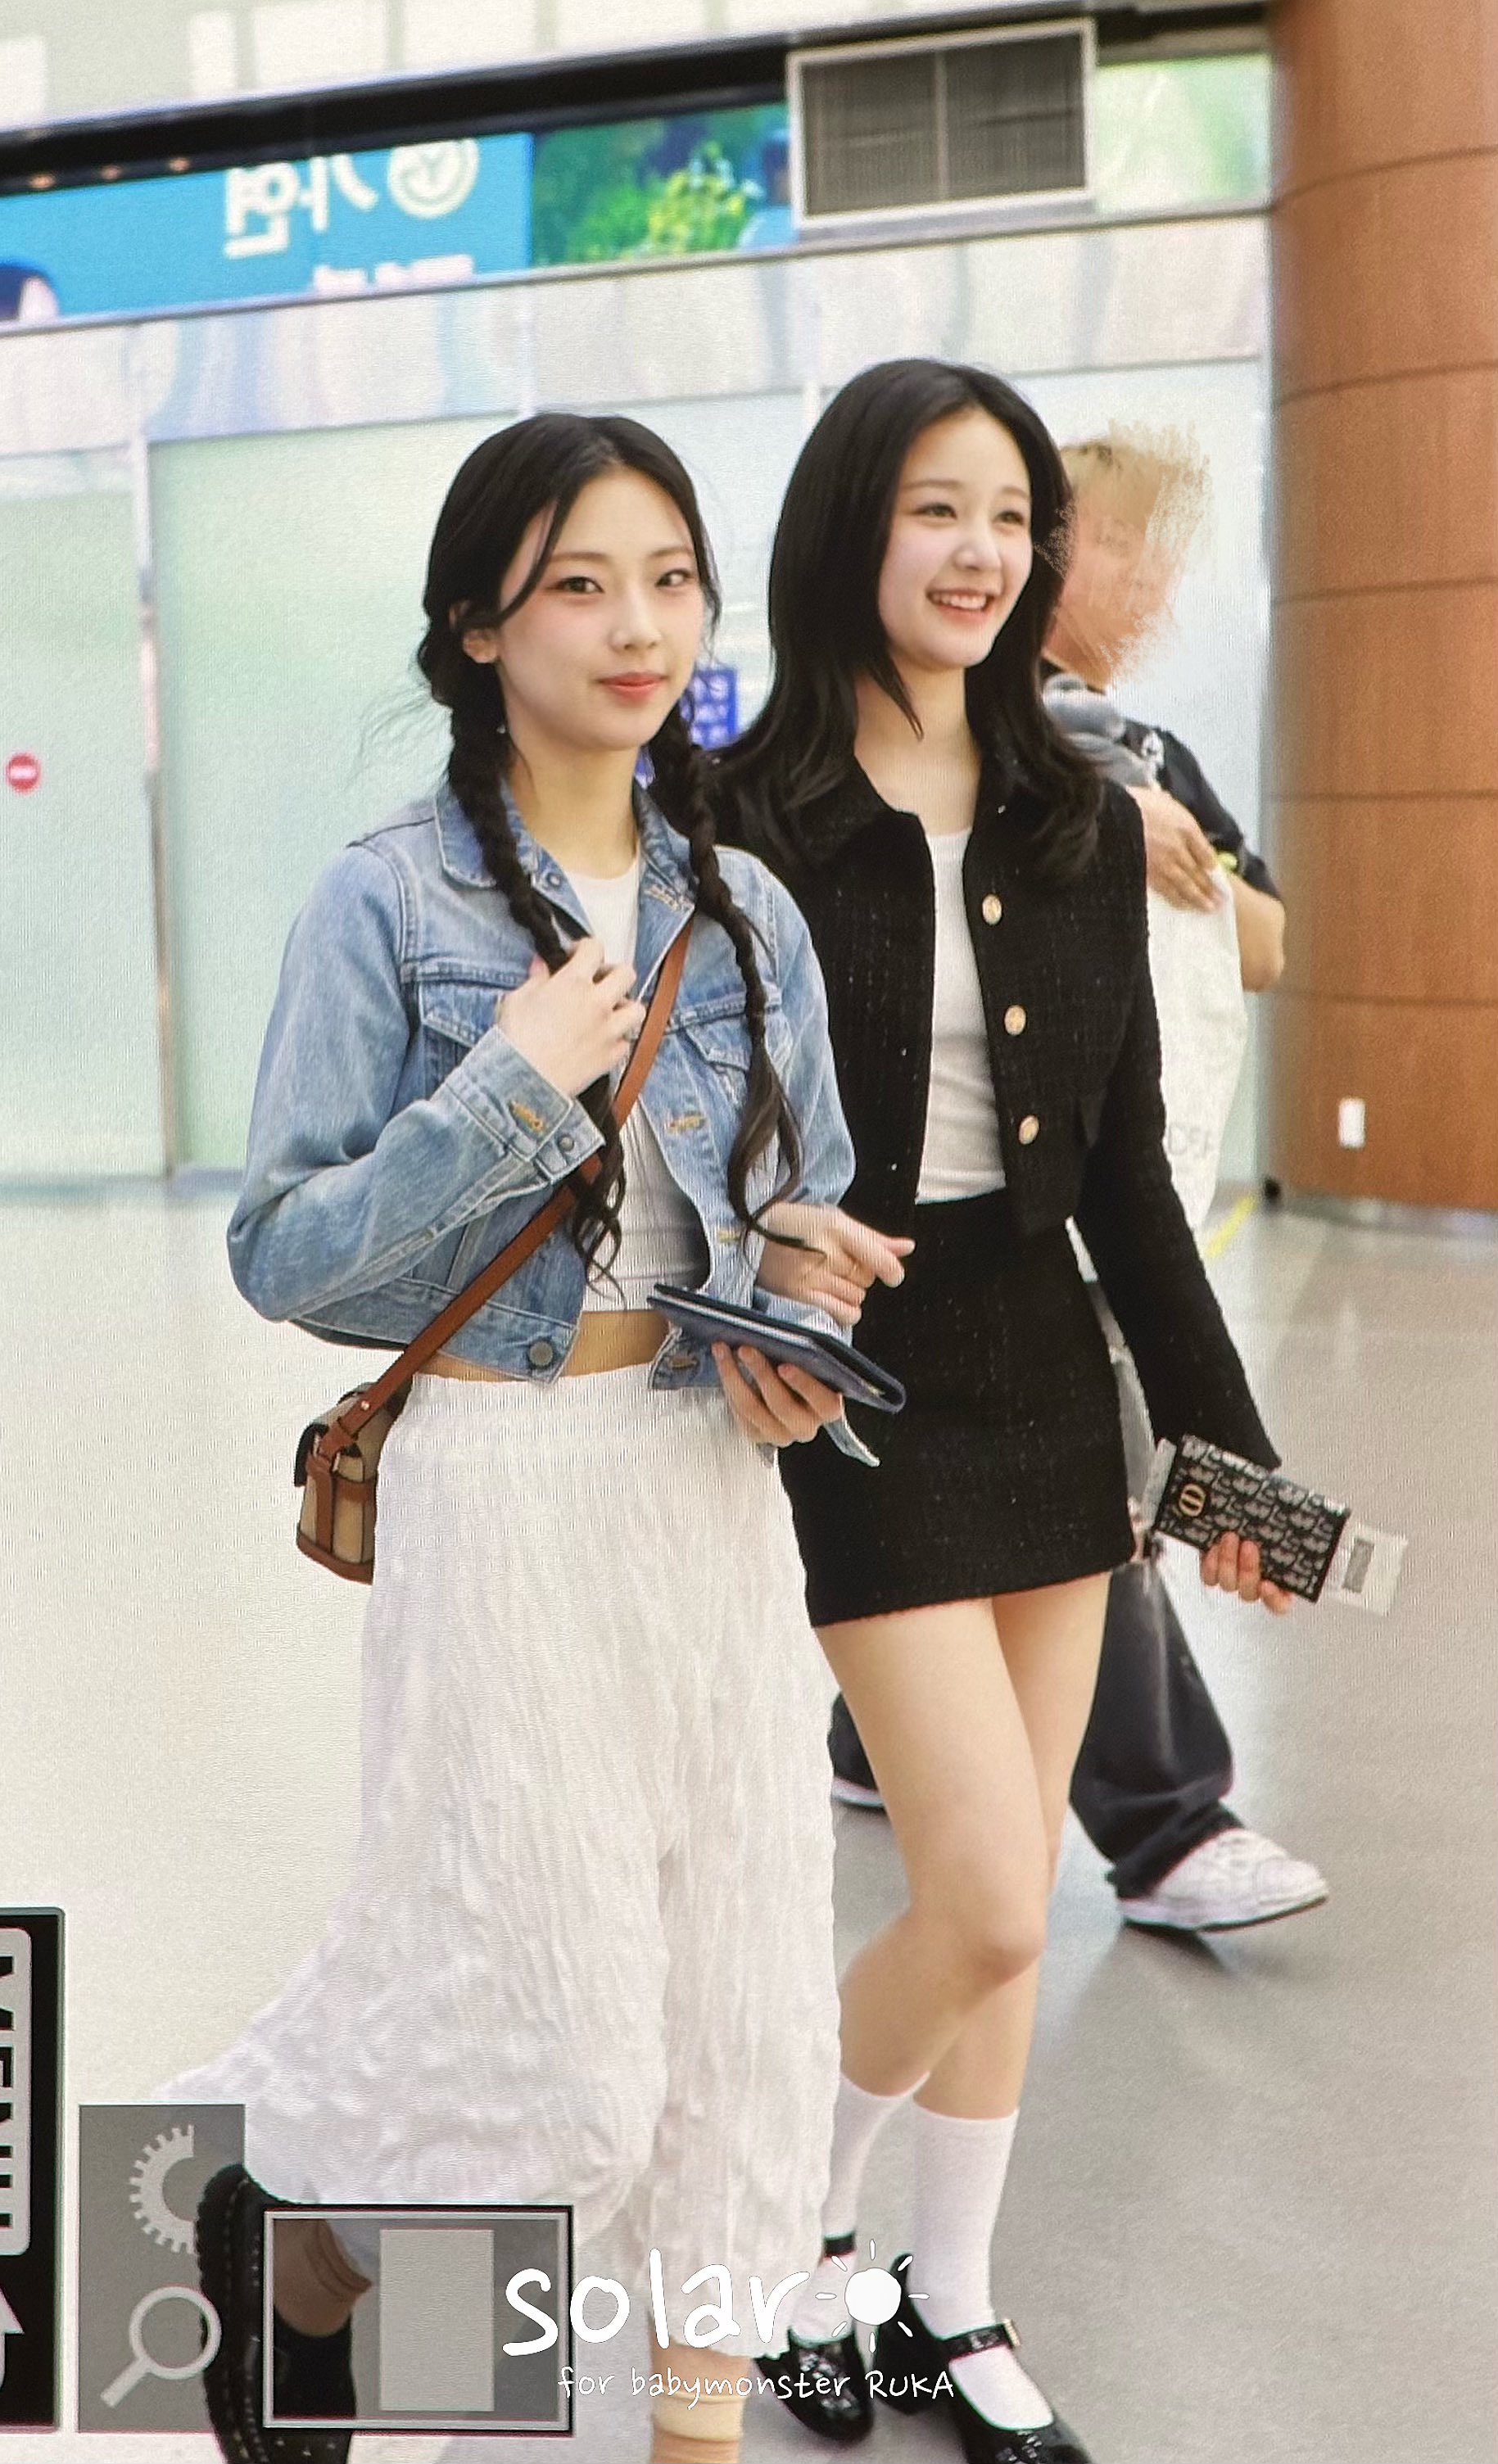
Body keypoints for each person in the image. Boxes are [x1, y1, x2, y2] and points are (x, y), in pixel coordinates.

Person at [156, 411, 871, 2464]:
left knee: (742, 2019)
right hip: (499, 1485)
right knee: (556, 2060)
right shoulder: (384, 900)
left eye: (669, 579)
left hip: (706, 1486)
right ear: (477, 623)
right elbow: (284, 1248)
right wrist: (506, 1088)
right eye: (578, 583)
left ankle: (686, 2431)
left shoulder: (744, 908)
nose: (637, 625)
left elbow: (807, 1197)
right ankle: (299, 2239)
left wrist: (808, 1321)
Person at [717, 359, 1289, 2463]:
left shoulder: (1074, 811)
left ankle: (947, 2288)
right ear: (851, 531)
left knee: (1017, 1889)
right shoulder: (748, 818)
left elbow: (1127, 1173)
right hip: (856, 1382)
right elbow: (687, 1143)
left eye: (1012, 516)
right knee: (977, 1890)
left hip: (1052, 1376)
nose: (982, 553)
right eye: (937, 510)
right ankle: (785, 2236)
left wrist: (1229, 1468)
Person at [826, 427, 1328, 1935]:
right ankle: (1169, 1822)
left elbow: (1265, 941)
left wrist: (1142, 834)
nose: (1153, 582)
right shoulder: (905, 760)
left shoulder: (1142, 760)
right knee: (1089, 1493)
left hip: (1117, 1176)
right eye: (1124, 545)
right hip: (926, 1231)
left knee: (1083, 1480)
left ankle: (870, 1742)